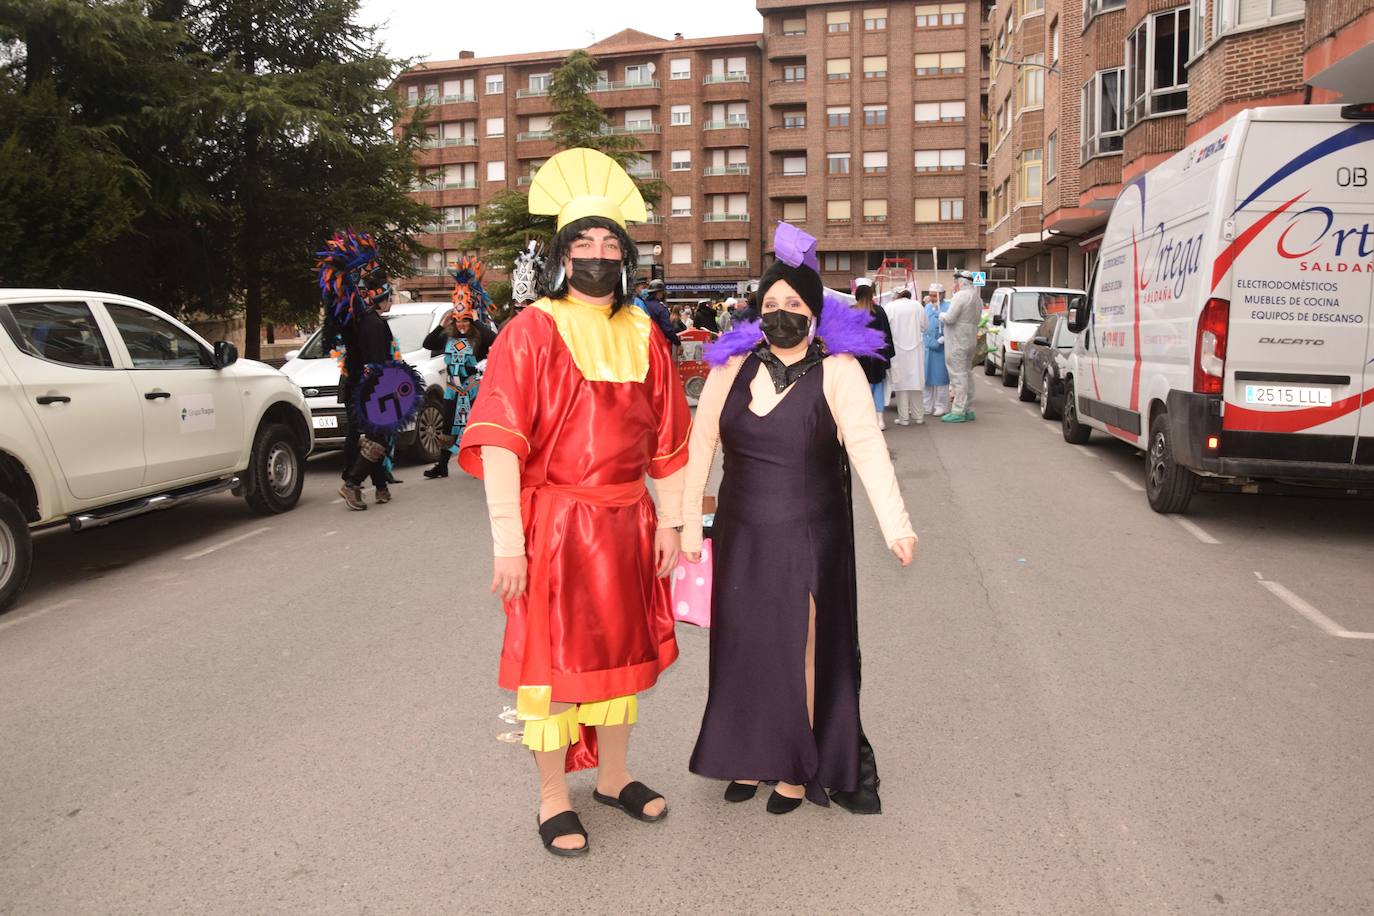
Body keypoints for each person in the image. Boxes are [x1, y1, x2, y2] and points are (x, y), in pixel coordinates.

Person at [457, 148, 691, 858]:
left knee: (620, 659)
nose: (597, 254)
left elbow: (672, 443)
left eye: (609, 243)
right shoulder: (529, 331)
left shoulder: (646, 333)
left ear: (627, 257)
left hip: (628, 524)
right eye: (583, 243)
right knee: (551, 670)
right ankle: (554, 796)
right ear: (562, 253)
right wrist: (508, 540)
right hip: (556, 526)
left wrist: (674, 521)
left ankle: (614, 776)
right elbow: (500, 439)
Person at [681, 221, 917, 816]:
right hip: (742, 533)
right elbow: (700, 445)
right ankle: (747, 754)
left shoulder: (838, 371)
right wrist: (688, 523)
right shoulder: (728, 369)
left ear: (814, 312)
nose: (780, 313)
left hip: (811, 536)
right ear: (755, 312)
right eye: (770, 304)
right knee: (744, 646)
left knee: (802, 648)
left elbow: (866, 451)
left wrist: (897, 526)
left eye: (793, 303)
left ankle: (795, 764)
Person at [317, 229, 400, 511]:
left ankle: (380, 486)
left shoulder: (352, 323)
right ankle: (352, 484)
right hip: (369, 388)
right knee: (375, 439)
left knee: (359, 437)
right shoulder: (373, 324)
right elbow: (376, 364)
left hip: (354, 385)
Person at [421, 257, 493, 479]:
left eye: (465, 321)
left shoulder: (479, 336)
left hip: (473, 390)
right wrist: (441, 325)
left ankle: (480, 464)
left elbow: (495, 340)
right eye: (457, 321)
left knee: (476, 427)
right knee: (449, 428)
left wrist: (477, 321)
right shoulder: (446, 336)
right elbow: (428, 344)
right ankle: (442, 466)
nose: (461, 325)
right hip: (453, 390)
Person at [852, 278, 895, 430]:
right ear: (871, 295)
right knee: (877, 387)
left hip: (858, 356)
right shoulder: (880, 311)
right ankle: (880, 420)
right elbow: (887, 335)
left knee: (860, 389)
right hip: (877, 356)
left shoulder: (851, 311)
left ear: (856, 294)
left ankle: (862, 420)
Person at [940, 271, 981, 423]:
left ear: (962, 282)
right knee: (967, 374)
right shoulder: (977, 298)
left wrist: (941, 315)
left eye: (956, 282)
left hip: (957, 340)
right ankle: (968, 408)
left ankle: (958, 410)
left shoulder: (961, 296)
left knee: (958, 375)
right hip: (969, 339)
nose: (954, 285)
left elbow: (950, 318)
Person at [884, 289, 927, 426]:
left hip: (897, 350)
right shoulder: (918, 306)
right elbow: (925, 326)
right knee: (916, 383)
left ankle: (904, 418)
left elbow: (885, 328)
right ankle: (919, 416)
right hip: (915, 350)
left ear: (896, 295)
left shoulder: (890, 307)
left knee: (900, 384)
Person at [500, 240, 543, 331]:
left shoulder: (542, 326)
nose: (520, 312)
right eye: (517, 308)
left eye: (523, 308)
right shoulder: (506, 327)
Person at [922, 285, 951, 417]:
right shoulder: (927, 307)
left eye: (935, 296)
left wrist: (944, 338)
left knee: (940, 378)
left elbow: (952, 324)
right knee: (927, 378)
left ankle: (941, 406)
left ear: (942, 294)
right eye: (931, 295)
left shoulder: (948, 307)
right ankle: (927, 406)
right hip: (928, 346)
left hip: (942, 348)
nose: (932, 298)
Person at [638, 278, 679, 347]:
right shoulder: (661, 308)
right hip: (658, 343)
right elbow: (667, 329)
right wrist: (677, 342)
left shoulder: (642, 304)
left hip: (643, 342)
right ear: (659, 293)